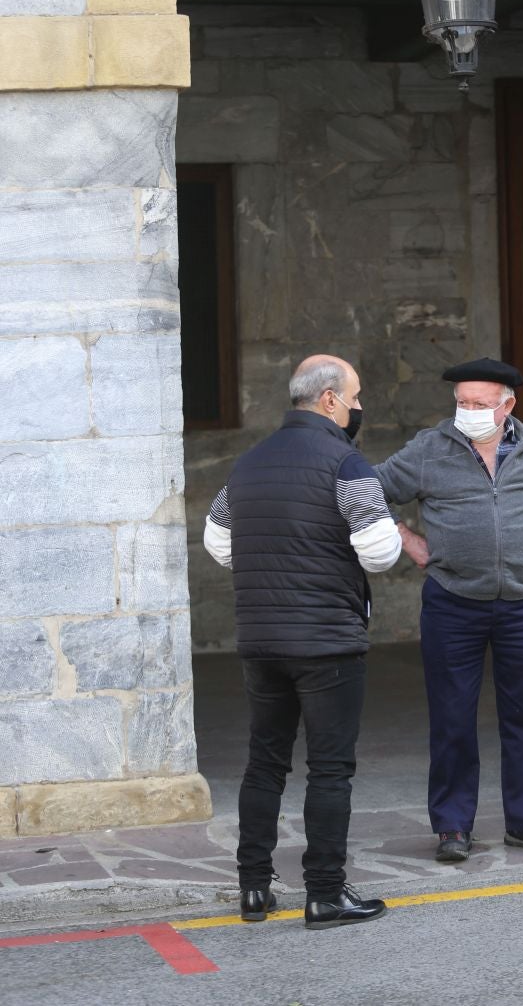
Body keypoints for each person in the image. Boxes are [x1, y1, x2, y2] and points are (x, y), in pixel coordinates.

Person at [375, 357, 523, 863]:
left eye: (480, 405)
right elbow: (367, 491)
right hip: (453, 602)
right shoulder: (429, 449)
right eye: (462, 403)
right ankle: (453, 827)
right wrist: (407, 539)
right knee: (452, 717)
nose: (469, 412)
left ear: (508, 406)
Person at [203, 354, 401, 929]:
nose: (361, 407)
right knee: (329, 769)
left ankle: (254, 891)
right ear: (331, 400)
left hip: (261, 639)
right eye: (357, 396)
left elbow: (219, 540)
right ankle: (324, 894)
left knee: (264, 764)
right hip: (327, 644)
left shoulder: (248, 463)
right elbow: (381, 552)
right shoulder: (347, 463)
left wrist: (274, 566)